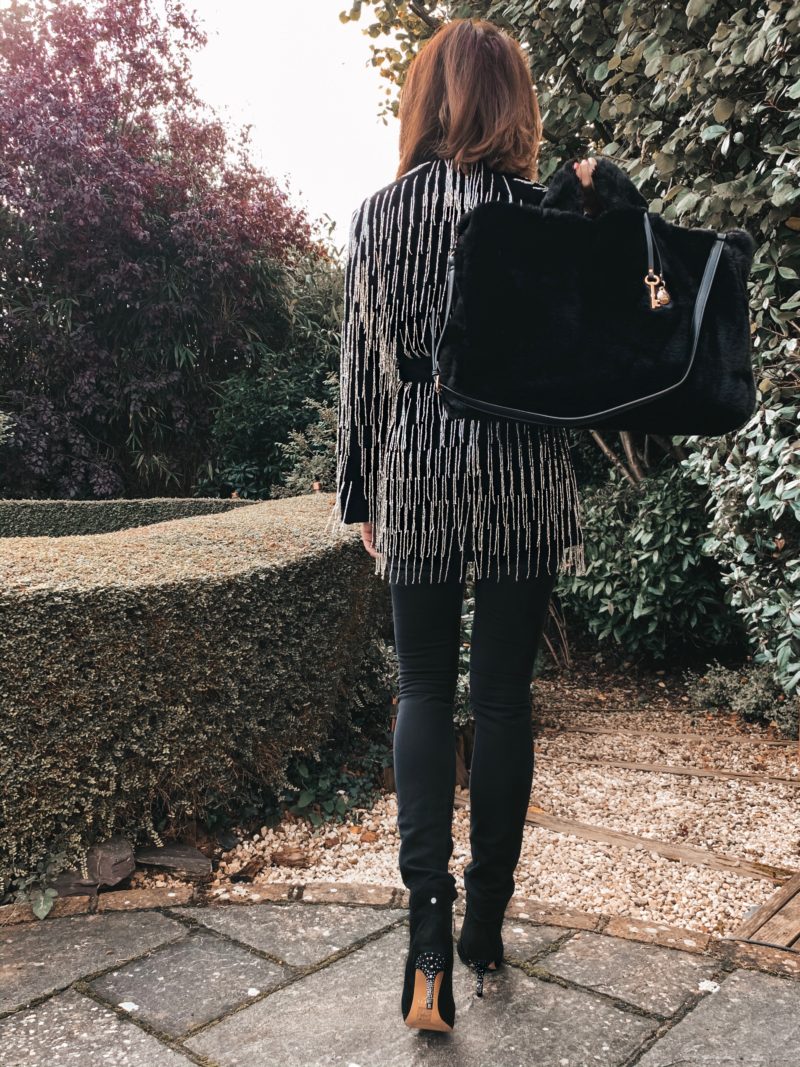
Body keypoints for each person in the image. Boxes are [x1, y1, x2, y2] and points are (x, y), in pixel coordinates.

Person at [326, 17, 599, 1032]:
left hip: (419, 465)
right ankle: (487, 924)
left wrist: (361, 494)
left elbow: (360, 372)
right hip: (523, 464)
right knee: (502, 701)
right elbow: (587, 349)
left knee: (424, 688)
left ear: (427, 101)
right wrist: (587, 198)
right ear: (509, 102)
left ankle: (427, 936)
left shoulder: (377, 216)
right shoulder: (539, 214)